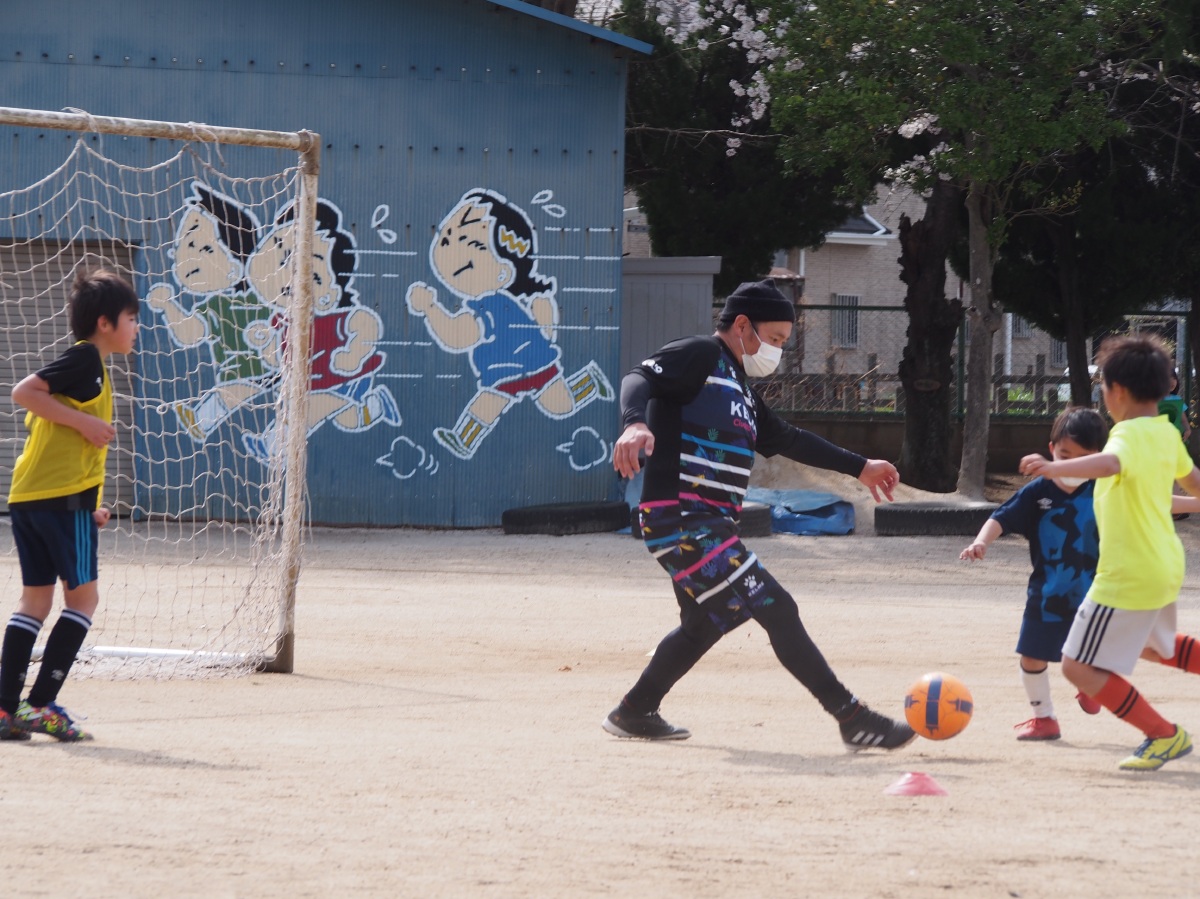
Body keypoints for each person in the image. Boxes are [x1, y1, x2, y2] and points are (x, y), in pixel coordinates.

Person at [602, 278, 914, 751]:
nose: (778, 350)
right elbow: (638, 378)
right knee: (776, 606)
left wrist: (860, 466)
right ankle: (852, 717)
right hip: (684, 517)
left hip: (708, 523)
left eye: (784, 342)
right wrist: (634, 423)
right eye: (774, 338)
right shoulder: (701, 355)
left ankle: (634, 711)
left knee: (705, 622)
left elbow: (789, 439)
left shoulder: (743, 392)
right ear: (742, 325)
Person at [1019, 334, 1200, 770]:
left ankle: (1163, 735)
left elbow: (1109, 463)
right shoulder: (1165, 433)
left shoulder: (1128, 434)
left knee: (1077, 667)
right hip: (1163, 565)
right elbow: (1192, 482)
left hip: (1128, 573)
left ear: (1116, 390)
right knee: (1152, 647)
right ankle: (1162, 733)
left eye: (1102, 385)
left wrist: (1054, 467)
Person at [0, 265, 140, 742]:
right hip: (59, 501)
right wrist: (85, 424)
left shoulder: (87, 368)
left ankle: (5, 709)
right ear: (105, 323)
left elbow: (62, 444)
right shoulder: (86, 361)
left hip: (31, 497)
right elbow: (24, 392)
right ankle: (40, 705)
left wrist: (91, 506)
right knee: (83, 600)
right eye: (131, 318)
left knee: (35, 601)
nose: (136, 327)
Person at [961, 408, 1108, 741]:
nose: (1071, 465)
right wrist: (981, 542)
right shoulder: (1038, 492)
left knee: (1087, 657)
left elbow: (1146, 506)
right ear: (1051, 449)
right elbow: (1001, 517)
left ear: (1098, 458)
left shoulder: (1105, 490)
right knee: (1031, 657)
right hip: (1047, 596)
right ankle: (1044, 719)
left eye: (1083, 459)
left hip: (1096, 596)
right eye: (1065, 456)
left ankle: (1092, 686)